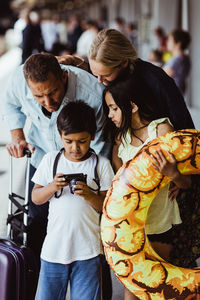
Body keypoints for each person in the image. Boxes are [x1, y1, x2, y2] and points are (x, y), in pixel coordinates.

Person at [2, 53, 112, 298]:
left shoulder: (92, 94)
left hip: (86, 164)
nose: (47, 102)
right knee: (36, 224)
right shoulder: (19, 81)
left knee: (93, 233)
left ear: (64, 76)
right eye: (38, 96)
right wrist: (17, 136)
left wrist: (94, 179)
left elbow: (103, 140)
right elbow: (9, 102)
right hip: (44, 158)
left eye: (52, 93)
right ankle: (31, 288)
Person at [102, 74, 191, 300]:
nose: (110, 115)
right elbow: (118, 190)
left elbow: (185, 182)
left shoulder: (160, 131)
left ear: (131, 106)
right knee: (131, 292)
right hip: (132, 231)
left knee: (160, 289)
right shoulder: (120, 140)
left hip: (161, 225)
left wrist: (174, 175)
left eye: (113, 108)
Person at [32, 101, 114, 300]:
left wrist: (89, 195)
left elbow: (108, 208)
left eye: (82, 141)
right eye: (68, 141)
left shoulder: (101, 165)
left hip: (88, 251)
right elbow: (36, 198)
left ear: (93, 136)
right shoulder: (51, 160)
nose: (75, 148)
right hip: (53, 250)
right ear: (60, 135)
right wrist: (52, 187)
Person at [57, 28, 194, 131]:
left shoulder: (156, 81)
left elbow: (183, 126)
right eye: (95, 73)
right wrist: (77, 62)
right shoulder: (113, 73)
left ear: (124, 63)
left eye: (105, 75)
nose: (99, 80)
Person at [163, 29, 191, 95]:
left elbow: (160, 78)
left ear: (178, 44)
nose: (167, 42)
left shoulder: (177, 61)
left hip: (171, 98)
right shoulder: (184, 58)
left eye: (170, 40)